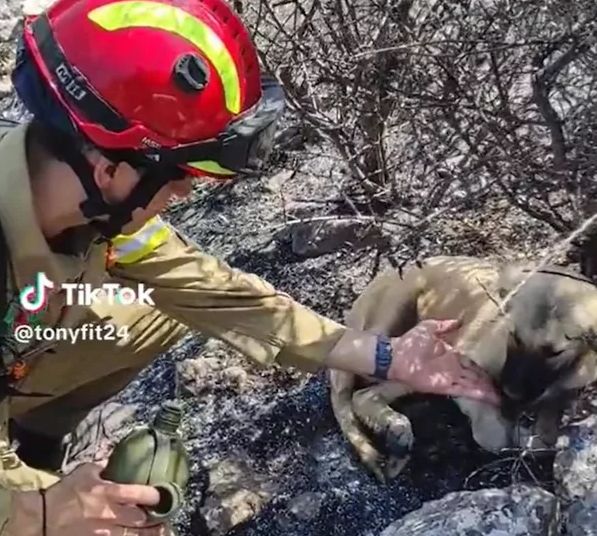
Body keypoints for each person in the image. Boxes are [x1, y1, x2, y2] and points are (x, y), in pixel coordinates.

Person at [0, 0, 500, 534]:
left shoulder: (91, 212)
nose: (185, 191)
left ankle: (36, 440)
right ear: (109, 172)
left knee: (160, 309)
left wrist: (384, 356)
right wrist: (42, 512)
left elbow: (220, 295)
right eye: (179, 175)